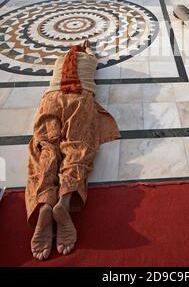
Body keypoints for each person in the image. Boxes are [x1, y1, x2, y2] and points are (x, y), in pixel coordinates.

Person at [25, 40, 121, 261]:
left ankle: (44, 205)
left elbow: (71, 52)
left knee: (45, 150)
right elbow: (88, 51)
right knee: (78, 148)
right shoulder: (90, 60)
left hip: (51, 99)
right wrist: (88, 48)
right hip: (80, 98)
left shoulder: (60, 62)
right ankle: (63, 202)